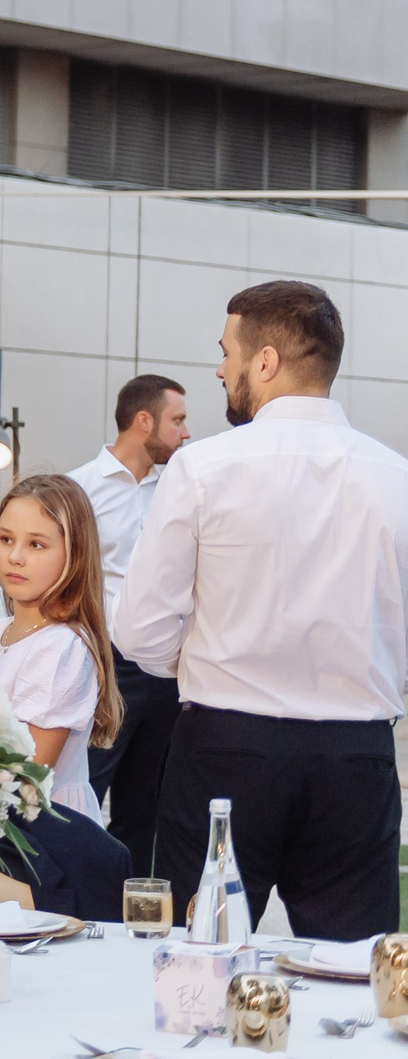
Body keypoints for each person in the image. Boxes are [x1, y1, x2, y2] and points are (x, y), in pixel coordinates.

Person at [116, 280, 408, 942]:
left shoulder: (202, 467)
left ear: (266, 361)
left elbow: (140, 629)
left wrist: (206, 662)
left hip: (225, 748)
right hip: (356, 756)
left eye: (228, 352)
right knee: (352, 968)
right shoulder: (397, 476)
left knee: (201, 960)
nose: (221, 369)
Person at [0, 474, 130, 921]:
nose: (15, 556)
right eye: (6, 539)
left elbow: (29, 772)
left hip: (41, 831)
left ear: (73, 556)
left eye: (37, 545)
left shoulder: (62, 646)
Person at [68, 374, 190, 880]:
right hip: (102, 665)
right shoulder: (79, 488)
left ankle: (131, 910)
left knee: (146, 807)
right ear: (144, 421)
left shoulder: (181, 490)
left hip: (164, 667)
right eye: (177, 420)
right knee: (84, 791)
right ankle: (75, 897)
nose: (186, 432)